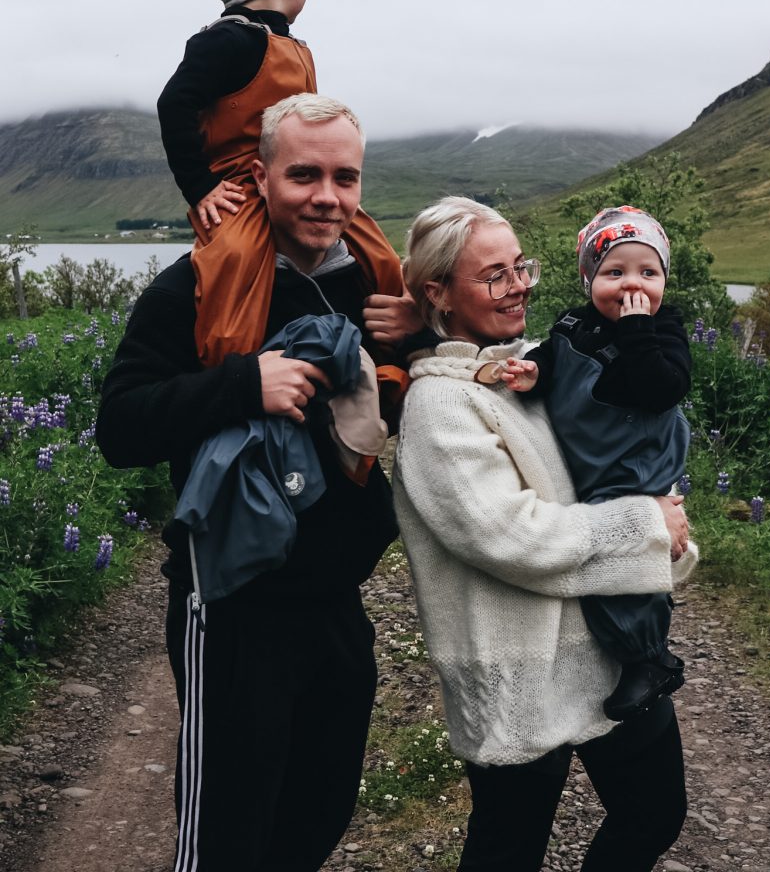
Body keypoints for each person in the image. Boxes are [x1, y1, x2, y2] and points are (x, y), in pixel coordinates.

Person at [97, 94, 405, 872]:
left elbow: (400, 398)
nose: (327, 197)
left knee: (319, 814)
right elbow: (120, 427)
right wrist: (243, 384)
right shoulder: (197, 284)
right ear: (260, 177)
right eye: (304, 175)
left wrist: (419, 338)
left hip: (335, 603)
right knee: (227, 838)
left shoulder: (372, 287)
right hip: (232, 606)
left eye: (344, 177)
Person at [393, 196, 697, 872]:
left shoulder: (528, 366)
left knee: (654, 812)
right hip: (518, 676)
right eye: (493, 275)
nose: (519, 286)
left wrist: (659, 519)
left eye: (519, 267)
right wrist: (649, 527)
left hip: (603, 652)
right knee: (510, 846)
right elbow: (512, 536)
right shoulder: (440, 406)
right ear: (438, 292)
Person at [157, 0, 402, 366]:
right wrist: (201, 187)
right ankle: (232, 364)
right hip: (242, 189)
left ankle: (397, 339)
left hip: (298, 178)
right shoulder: (227, 40)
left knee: (379, 252)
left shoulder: (289, 44)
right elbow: (174, 103)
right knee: (234, 261)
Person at [495, 205, 691, 720]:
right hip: (591, 459)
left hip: (634, 461)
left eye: (648, 273)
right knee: (599, 548)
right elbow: (552, 357)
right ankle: (635, 650)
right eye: (615, 272)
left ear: (664, 280)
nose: (633, 285)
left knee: (617, 556)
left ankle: (648, 657)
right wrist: (533, 372)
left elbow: (663, 388)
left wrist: (637, 331)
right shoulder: (573, 323)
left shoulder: (663, 329)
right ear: (589, 279)